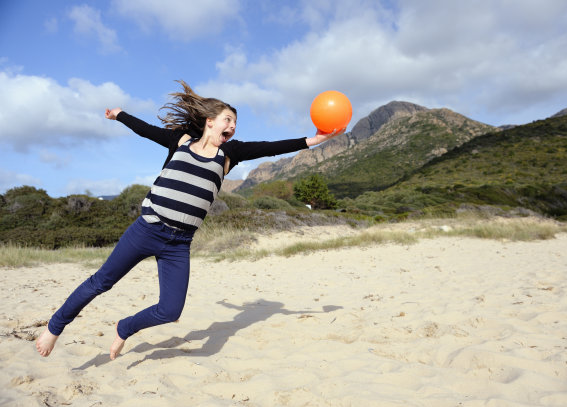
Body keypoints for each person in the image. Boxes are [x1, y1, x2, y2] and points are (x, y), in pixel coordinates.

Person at [36, 80, 344, 360]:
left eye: (236, 122)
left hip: (179, 244)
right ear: (210, 122)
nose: (233, 126)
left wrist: (312, 140)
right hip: (148, 228)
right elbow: (146, 130)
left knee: (170, 310)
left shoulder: (230, 153)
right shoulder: (180, 142)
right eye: (228, 119)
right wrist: (120, 115)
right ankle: (55, 326)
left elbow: (269, 147)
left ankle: (125, 327)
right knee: (101, 282)